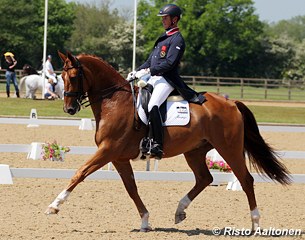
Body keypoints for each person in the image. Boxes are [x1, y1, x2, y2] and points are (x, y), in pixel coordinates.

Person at [129, 4, 204, 160]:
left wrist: (148, 71)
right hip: (155, 78)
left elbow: (169, 64)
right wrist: (136, 72)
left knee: (152, 105)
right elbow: (150, 61)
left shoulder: (177, 39)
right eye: (162, 18)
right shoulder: (163, 38)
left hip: (168, 80)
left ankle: (156, 144)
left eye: (165, 18)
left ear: (174, 20)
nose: (163, 20)